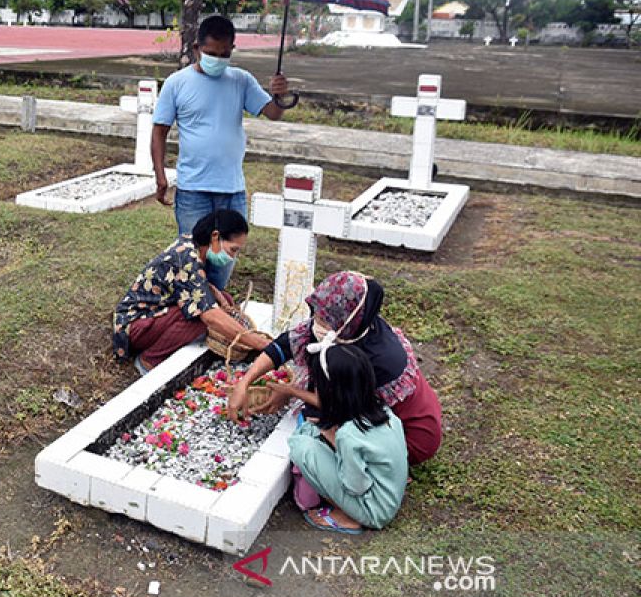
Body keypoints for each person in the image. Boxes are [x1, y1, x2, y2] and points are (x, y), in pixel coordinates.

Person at [225, 271, 443, 466]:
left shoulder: (380, 358)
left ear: (347, 319)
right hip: (372, 412)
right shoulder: (344, 326)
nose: (315, 323)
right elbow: (284, 345)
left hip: (412, 436)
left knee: (317, 434)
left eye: (323, 319)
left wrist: (291, 392)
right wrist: (244, 382)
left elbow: (347, 404)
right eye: (316, 314)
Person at [151, 15, 291, 292]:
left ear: (232, 50)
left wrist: (280, 96)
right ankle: (194, 314)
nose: (218, 59)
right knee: (194, 260)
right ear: (196, 49)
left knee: (224, 258)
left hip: (232, 190)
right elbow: (159, 132)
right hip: (193, 191)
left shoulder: (241, 81)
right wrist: (160, 175)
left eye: (224, 54)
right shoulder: (176, 83)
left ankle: (214, 309)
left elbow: (273, 114)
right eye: (211, 53)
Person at [112, 209, 268, 374]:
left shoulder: (190, 244)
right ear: (215, 237)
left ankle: (173, 341)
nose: (233, 256)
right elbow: (209, 315)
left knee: (224, 301)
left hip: (150, 316)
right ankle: (150, 361)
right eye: (233, 249)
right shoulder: (186, 259)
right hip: (134, 327)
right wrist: (259, 343)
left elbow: (192, 283)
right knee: (200, 317)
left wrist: (216, 294)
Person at [281, 345, 409, 533]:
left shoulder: (348, 435)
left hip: (374, 512)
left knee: (301, 445)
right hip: (389, 495)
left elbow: (356, 486)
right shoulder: (386, 413)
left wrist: (338, 451)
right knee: (313, 430)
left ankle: (346, 516)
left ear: (330, 392)